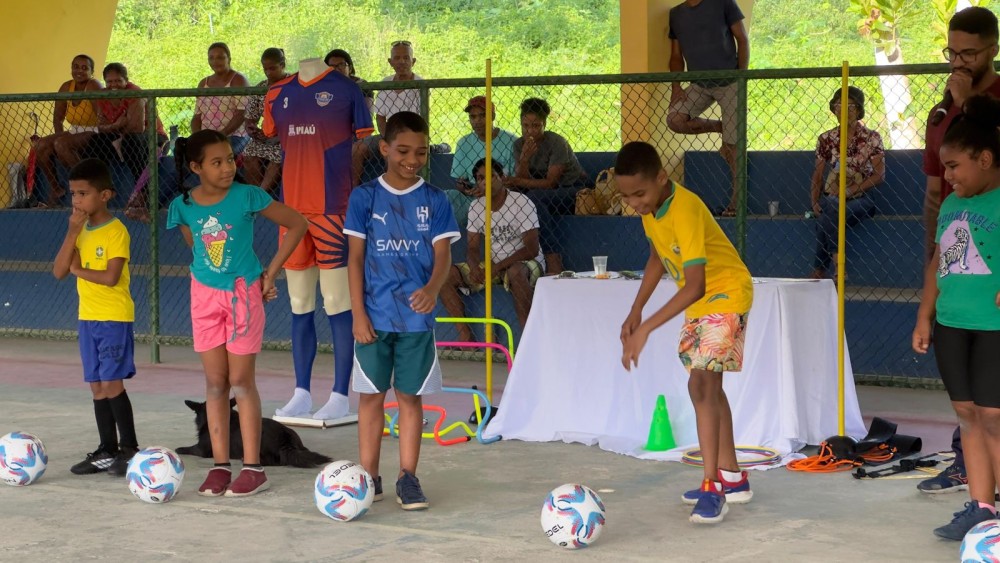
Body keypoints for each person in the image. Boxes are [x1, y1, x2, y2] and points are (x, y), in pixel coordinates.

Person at [615, 141, 753, 525]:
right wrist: (636, 307)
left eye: (639, 194)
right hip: (704, 302)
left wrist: (646, 329)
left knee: (701, 387)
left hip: (725, 293)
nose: (634, 204)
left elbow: (694, 284)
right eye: (626, 197)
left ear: (662, 178)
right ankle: (732, 477)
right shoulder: (651, 208)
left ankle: (712, 486)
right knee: (709, 386)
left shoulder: (686, 207)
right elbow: (658, 256)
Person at [165, 130, 307, 497]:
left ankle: (253, 468)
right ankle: (219, 465)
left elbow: (297, 224)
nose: (228, 167)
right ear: (196, 167)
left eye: (230, 159)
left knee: (241, 382)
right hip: (203, 297)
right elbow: (195, 245)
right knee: (215, 384)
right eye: (217, 162)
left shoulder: (248, 195)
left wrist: (270, 273)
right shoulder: (182, 205)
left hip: (244, 296)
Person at [344, 111, 460, 510]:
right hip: (373, 318)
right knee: (371, 397)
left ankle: (407, 478)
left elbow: (442, 255)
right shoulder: (364, 197)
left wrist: (432, 288)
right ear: (385, 148)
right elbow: (355, 259)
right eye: (404, 151)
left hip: (415, 320)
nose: (413, 159)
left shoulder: (435, 199)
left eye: (422, 152)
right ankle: (367, 477)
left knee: (410, 398)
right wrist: (357, 313)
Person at [263, 57, 374, 421]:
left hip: (331, 210)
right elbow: (269, 138)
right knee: (299, 304)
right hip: (291, 214)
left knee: (338, 303)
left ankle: (341, 394)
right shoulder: (277, 92)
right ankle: (301, 392)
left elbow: (362, 143)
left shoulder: (346, 89)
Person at [918, 6, 1000, 497]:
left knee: (991, 409)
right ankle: (974, 485)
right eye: (952, 52)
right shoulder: (942, 108)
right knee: (968, 407)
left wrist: (970, 104)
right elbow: (937, 181)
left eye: (969, 52)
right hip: (952, 250)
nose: (959, 62)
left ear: (991, 48)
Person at [51, 158, 140, 477]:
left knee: (111, 381)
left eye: (83, 193)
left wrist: (78, 269)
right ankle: (107, 449)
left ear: (105, 195)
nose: (76, 200)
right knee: (96, 386)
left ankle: (130, 448)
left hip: (113, 317)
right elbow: (60, 271)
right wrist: (72, 233)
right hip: (87, 317)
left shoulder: (116, 231)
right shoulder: (79, 229)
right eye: (72, 194)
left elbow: (111, 277)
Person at [439, 158, 543, 341]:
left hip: (525, 264)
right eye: (479, 178)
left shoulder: (521, 202)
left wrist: (496, 267)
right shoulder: (476, 206)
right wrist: (473, 267)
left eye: (491, 176)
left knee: (516, 272)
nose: (485, 182)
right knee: (446, 275)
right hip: (493, 264)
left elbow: (531, 249)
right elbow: (472, 246)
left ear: (502, 177)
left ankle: (528, 338)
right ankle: (465, 336)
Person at [666, 0, 749, 217]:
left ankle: (736, 201)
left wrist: (741, 76)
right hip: (698, 84)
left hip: (730, 82)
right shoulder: (676, 14)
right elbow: (676, 56)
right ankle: (721, 127)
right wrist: (676, 86)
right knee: (674, 119)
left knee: (733, 146)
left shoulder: (723, 3)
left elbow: (742, 39)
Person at [808, 86, 884, 279]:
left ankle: (820, 269)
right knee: (831, 207)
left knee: (828, 216)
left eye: (850, 106)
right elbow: (818, 174)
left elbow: (879, 175)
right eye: (839, 105)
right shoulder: (826, 139)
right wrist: (814, 201)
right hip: (832, 195)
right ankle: (838, 265)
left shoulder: (871, 138)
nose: (844, 110)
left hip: (861, 197)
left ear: (858, 110)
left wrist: (850, 191)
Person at [506, 97, 586, 270]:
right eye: (525, 126)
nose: (530, 131)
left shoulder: (556, 142)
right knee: (521, 198)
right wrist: (525, 159)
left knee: (533, 197)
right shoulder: (519, 145)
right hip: (542, 195)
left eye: (536, 126)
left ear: (544, 124)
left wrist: (517, 180)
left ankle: (552, 257)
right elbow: (522, 184)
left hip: (571, 190)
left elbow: (551, 183)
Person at [85, 63, 167, 197]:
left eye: (118, 81)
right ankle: (103, 187)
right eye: (109, 82)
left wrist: (112, 128)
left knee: (131, 141)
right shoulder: (103, 95)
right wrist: (116, 126)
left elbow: (137, 128)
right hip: (119, 133)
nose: (114, 85)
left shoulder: (134, 93)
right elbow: (100, 126)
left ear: (126, 80)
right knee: (96, 140)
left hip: (152, 135)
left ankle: (143, 192)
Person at [352, 41, 424, 185]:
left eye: (406, 58)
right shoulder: (386, 82)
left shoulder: (421, 84)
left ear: (413, 61)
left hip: (412, 135)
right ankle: (354, 193)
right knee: (357, 149)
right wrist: (388, 139)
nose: (402, 61)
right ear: (390, 62)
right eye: (397, 58)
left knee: (395, 155)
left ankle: (394, 193)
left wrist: (396, 143)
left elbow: (418, 120)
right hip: (387, 134)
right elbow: (380, 117)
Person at [35, 55, 102, 207]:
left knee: (61, 144)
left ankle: (88, 186)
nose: (79, 71)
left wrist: (60, 141)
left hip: (95, 130)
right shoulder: (66, 87)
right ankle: (56, 188)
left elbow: (101, 117)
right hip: (75, 130)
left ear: (92, 71)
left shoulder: (93, 85)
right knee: (40, 145)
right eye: (76, 67)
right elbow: (57, 119)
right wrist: (57, 137)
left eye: (85, 68)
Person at [447, 96, 518, 229]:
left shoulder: (511, 142)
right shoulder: (464, 143)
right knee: (448, 196)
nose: (477, 121)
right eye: (472, 117)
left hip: (504, 197)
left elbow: (515, 181)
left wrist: (491, 189)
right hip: (475, 197)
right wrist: (469, 189)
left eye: (482, 116)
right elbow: (460, 182)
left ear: (492, 116)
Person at [243, 48, 289, 197]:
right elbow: (250, 118)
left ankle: (260, 196)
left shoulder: (294, 84)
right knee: (248, 153)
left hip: (289, 136)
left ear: (282, 65)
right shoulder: (261, 88)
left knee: (277, 156)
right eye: (265, 69)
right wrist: (252, 130)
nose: (268, 73)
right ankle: (256, 193)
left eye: (273, 68)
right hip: (266, 135)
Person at [192, 42, 251, 155]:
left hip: (235, 135)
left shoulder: (238, 80)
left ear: (229, 58)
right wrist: (197, 136)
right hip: (208, 136)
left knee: (217, 153)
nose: (215, 61)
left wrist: (221, 135)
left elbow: (242, 113)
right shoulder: (203, 83)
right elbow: (197, 116)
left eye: (220, 57)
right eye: (211, 58)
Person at [325, 48, 374, 115]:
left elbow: (366, 116)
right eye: (331, 67)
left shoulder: (362, 86)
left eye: (341, 65)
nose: (336, 69)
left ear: (350, 68)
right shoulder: (323, 87)